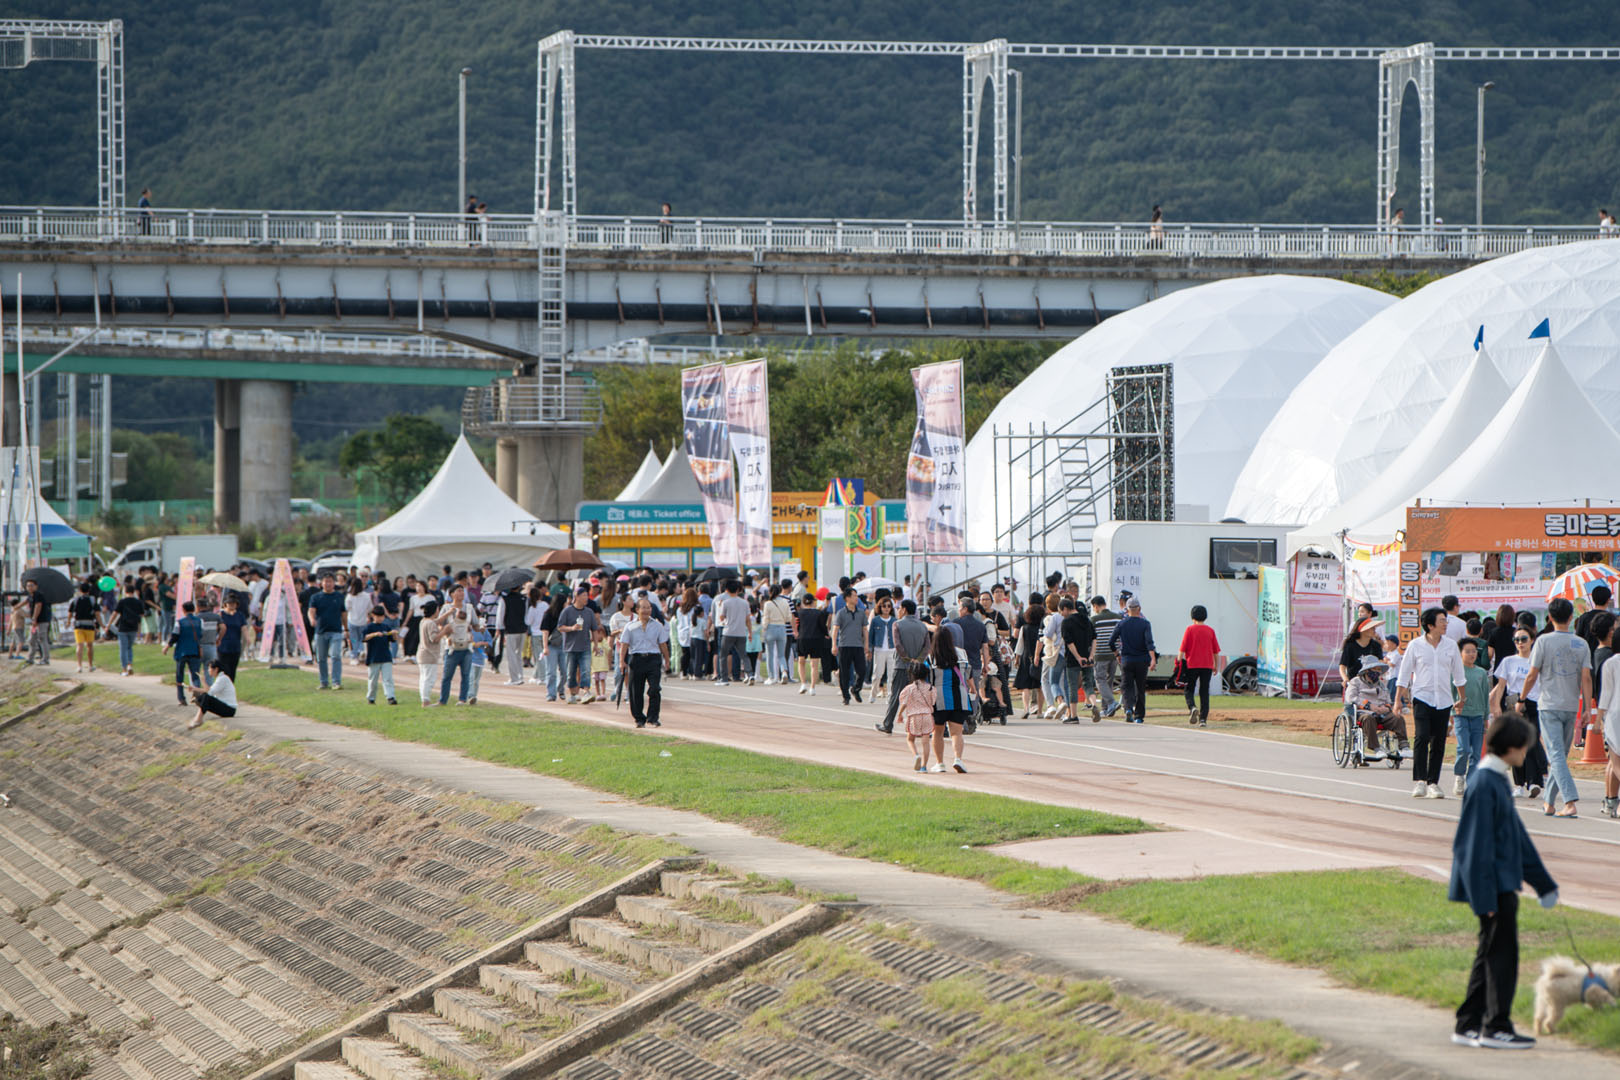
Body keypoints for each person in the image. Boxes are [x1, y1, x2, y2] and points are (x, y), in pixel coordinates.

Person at [1448, 713, 1557, 1051]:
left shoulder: (1496, 780)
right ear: (1510, 746)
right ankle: (1496, 1027)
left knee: (1489, 954)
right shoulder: (1484, 783)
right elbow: (1473, 847)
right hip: (1493, 889)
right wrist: (1485, 899)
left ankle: (1468, 1023)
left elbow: (1518, 839)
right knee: (1502, 959)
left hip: (1501, 885)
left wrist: (1543, 883)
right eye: (1524, 746)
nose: (1526, 752)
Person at [1521, 596, 1589, 818]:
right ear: (1571, 617)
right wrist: (1587, 708)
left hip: (1549, 704)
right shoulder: (1581, 643)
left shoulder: (1543, 641)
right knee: (1559, 755)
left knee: (1556, 755)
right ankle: (1549, 802)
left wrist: (1521, 698)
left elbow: (1532, 674)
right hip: (1571, 705)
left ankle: (1569, 801)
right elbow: (1586, 678)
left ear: (1549, 617)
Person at [1396, 607, 1467, 799]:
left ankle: (1433, 782)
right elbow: (1404, 674)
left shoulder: (1451, 646)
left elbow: (1459, 675)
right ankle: (1420, 781)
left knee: (1439, 741)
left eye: (1445, 620)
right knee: (1422, 737)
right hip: (1422, 697)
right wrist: (1397, 701)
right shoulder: (1415, 645)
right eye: (1442, 620)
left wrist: (1462, 699)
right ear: (1430, 625)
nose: (1445, 624)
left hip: (1444, 699)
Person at [620, 597, 669, 728]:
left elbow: (663, 644)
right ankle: (639, 718)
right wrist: (622, 661)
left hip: (653, 659)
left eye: (649, 608)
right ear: (637, 610)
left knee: (655, 689)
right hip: (636, 659)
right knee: (636, 690)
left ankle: (653, 717)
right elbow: (624, 644)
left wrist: (667, 660)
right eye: (643, 608)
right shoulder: (630, 626)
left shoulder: (657, 625)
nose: (646, 610)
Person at [928, 628, 971, 774]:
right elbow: (968, 673)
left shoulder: (931, 657)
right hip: (960, 697)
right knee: (957, 732)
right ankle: (958, 759)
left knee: (937, 732)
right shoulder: (962, 653)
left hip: (938, 698)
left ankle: (940, 763)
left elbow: (927, 679)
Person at [1109, 598, 1156, 724]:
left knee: (1126, 686)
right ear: (1139, 609)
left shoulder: (1122, 624)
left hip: (1127, 659)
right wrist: (1153, 658)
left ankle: (1128, 708)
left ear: (1127, 610)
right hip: (1142, 660)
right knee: (1140, 688)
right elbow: (1149, 642)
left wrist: (1117, 654)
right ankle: (1139, 716)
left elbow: (1111, 641)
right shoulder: (1145, 624)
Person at [1453, 640, 1490, 795]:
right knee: (1464, 748)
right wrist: (1452, 711)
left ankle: (1472, 782)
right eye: (1467, 651)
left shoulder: (1481, 673)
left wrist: (1486, 716)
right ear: (1460, 653)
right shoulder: (1456, 671)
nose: (1471, 654)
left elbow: (1485, 695)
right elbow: (1450, 692)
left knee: (1476, 752)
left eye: (1474, 651)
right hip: (1460, 715)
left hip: (1478, 716)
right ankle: (1459, 776)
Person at [1178, 605, 1223, 727]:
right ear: (1205, 616)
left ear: (1192, 617)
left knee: (1189, 689)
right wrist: (1216, 666)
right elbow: (1216, 651)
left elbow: (1182, 649)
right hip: (1207, 665)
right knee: (1204, 691)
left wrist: (1178, 663)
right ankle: (1203, 719)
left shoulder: (1189, 630)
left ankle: (1192, 707)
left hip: (1192, 664)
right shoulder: (1210, 631)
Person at [557, 586, 601, 704]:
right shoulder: (567, 611)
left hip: (585, 646)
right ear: (576, 597)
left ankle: (586, 692)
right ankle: (573, 694)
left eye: (586, 595)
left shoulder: (589, 612)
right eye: (584, 595)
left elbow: (594, 629)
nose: (586, 598)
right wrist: (572, 628)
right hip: (570, 648)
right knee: (571, 673)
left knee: (586, 670)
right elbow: (560, 627)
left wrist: (596, 645)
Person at [1058, 597, 1097, 724]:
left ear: (1065, 609)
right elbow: (1094, 638)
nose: (1061, 614)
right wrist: (1091, 656)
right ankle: (1094, 704)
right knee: (1088, 684)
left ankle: (1073, 715)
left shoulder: (1066, 622)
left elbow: (1069, 642)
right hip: (1088, 656)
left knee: (1072, 686)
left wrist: (1078, 657)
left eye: (1061, 611)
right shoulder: (1087, 620)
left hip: (1073, 659)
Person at [895, 661, 937, 772]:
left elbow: (904, 702)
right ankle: (924, 766)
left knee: (910, 739)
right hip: (927, 716)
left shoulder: (909, 688)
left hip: (914, 716)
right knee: (926, 742)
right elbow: (933, 701)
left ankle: (916, 755)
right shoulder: (931, 688)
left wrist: (899, 714)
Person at [306, 574, 347, 690]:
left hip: (336, 631)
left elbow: (343, 614)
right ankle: (324, 682)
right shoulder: (316, 597)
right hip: (321, 631)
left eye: (330, 581)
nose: (328, 584)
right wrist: (312, 619)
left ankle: (336, 682)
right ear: (321, 583)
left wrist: (346, 628)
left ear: (334, 583)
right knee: (321, 658)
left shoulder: (339, 596)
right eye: (325, 581)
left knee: (335, 655)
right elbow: (311, 610)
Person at [163, 600, 204, 706]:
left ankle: (181, 698)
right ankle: (197, 696)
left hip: (181, 652)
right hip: (195, 651)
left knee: (179, 675)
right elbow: (201, 635)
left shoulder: (179, 622)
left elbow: (174, 636)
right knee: (195, 675)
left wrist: (167, 647)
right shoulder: (200, 621)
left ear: (183, 610)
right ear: (194, 610)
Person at [834, 587, 869, 706]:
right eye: (854, 595)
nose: (856, 598)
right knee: (844, 672)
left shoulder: (861, 613)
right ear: (847, 598)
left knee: (862, 670)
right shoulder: (841, 613)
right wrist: (834, 645)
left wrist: (866, 644)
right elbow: (835, 630)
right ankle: (846, 696)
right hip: (844, 645)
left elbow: (865, 629)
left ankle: (856, 689)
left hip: (858, 645)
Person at [436, 600, 475, 706]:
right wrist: (446, 634)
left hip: (466, 649)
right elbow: (438, 623)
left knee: (465, 675)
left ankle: (462, 699)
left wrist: (477, 631)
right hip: (452, 649)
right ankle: (443, 700)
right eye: (459, 612)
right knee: (447, 676)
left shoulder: (469, 613)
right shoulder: (449, 616)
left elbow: (475, 626)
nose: (461, 613)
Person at [1089, 596, 1122, 718]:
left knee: (1100, 680)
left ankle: (1111, 702)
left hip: (1100, 653)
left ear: (1095, 606)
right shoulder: (1118, 617)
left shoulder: (1094, 620)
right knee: (1109, 681)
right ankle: (1106, 708)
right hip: (1114, 653)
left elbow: (1091, 638)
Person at [715, 580, 751, 687]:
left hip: (728, 632)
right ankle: (750, 674)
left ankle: (724, 678)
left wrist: (720, 607)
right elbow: (748, 619)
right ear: (738, 590)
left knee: (723, 655)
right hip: (741, 632)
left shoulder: (725, 603)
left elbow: (721, 618)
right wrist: (750, 632)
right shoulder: (745, 603)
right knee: (743, 655)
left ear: (727, 590)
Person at [362, 605, 399, 705]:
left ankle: (390, 697)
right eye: (378, 616)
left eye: (382, 616)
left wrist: (394, 634)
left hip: (386, 657)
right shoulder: (369, 627)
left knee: (388, 678)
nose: (380, 618)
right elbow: (364, 638)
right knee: (373, 680)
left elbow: (393, 639)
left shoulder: (386, 627)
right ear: (373, 616)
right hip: (373, 657)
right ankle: (371, 697)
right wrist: (374, 634)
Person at [187, 658, 238, 730]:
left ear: (216, 669)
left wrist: (203, 681)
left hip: (229, 710)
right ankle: (198, 718)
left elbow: (209, 692)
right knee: (200, 698)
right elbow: (209, 691)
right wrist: (194, 689)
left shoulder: (223, 678)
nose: (208, 670)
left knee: (205, 697)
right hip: (226, 708)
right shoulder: (220, 678)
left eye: (209, 668)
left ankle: (198, 719)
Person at [794, 591, 827, 695]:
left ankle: (803, 683)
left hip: (802, 638)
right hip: (816, 639)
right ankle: (812, 687)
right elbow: (822, 626)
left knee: (801, 661)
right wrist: (826, 634)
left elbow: (797, 626)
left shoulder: (799, 613)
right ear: (813, 602)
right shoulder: (818, 613)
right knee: (814, 664)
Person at [113, 582, 146, 676]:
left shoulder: (122, 601)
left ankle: (124, 669)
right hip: (134, 627)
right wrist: (139, 630)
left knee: (123, 649)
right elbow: (141, 615)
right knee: (129, 647)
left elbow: (115, 613)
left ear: (125, 591)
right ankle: (129, 665)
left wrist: (109, 624)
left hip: (123, 627)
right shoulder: (138, 602)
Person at [868, 595, 897, 700]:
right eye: (884, 606)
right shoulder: (875, 620)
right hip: (879, 650)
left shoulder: (894, 620)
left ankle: (890, 696)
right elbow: (870, 635)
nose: (886, 608)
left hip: (892, 650)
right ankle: (873, 694)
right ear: (880, 607)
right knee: (877, 674)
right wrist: (869, 650)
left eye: (888, 606)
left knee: (891, 674)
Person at [415, 599, 443, 705]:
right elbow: (434, 638)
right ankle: (425, 700)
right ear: (435, 610)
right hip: (429, 655)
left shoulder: (424, 621)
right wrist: (445, 631)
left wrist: (448, 613)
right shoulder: (430, 623)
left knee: (424, 678)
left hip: (422, 654)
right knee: (429, 679)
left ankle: (424, 698)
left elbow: (437, 621)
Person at [216, 595, 247, 681]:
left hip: (235, 646)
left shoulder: (240, 615)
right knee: (223, 670)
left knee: (232, 670)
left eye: (234, 603)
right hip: (223, 646)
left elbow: (244, 628)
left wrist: (247, 638)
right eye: (230, 603)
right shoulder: (220, 615)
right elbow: (216, 628)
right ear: (225, 604)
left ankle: (230, 687)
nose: (232, 605)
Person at [70, 581, 98, 672]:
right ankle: (90, 665)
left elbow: (70, 612)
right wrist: (100, 624)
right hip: (89, 625)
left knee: (79, 645)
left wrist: (68, 622)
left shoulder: (75, 600)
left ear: (80, 590)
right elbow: (97, 613)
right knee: (90, 646)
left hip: (78, 625)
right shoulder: (92, 600)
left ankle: (79, 666)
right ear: (89, 590)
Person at [344, 577, 371, 663]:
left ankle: (354, 655)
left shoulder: (350, 596)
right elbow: (370, 608)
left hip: (352, 620)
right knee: (361, 638)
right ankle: (361, 650)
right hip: (363, 621)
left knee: (353, 639)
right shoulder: (366, 596)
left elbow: (346, 608)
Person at [25, 579, 51, 667]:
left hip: (41, 621)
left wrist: (34, 618)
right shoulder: (30, 596)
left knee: (42, 638)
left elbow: (38, 606)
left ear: (36, 586)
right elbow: (25, 603)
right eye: (28, 585)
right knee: (32, 639)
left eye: (31, 585)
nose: (29, 587)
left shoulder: (38, 595)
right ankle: (30, 658)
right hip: (34, 622)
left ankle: (45, 659)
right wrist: (16, 607)